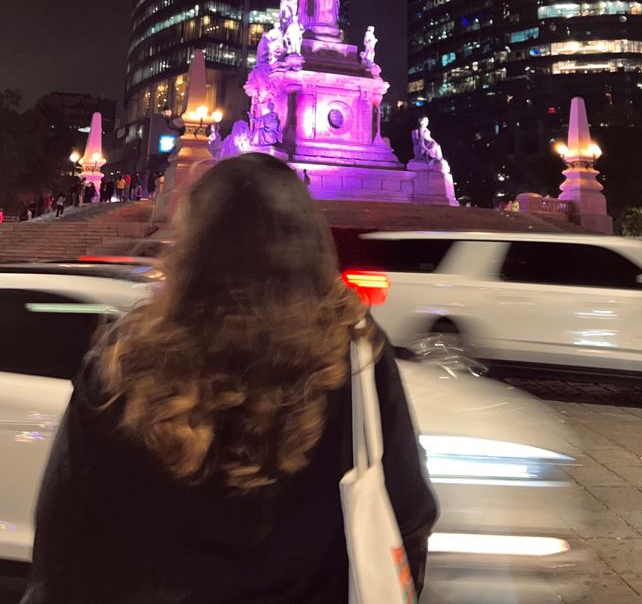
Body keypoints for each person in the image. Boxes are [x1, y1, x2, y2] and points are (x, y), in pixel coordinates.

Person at [23, 154, 436, 604]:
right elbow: (409, 511)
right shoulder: (355, 352)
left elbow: (68, 529)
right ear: (310, 244)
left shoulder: (130, 354)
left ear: (193, 244)